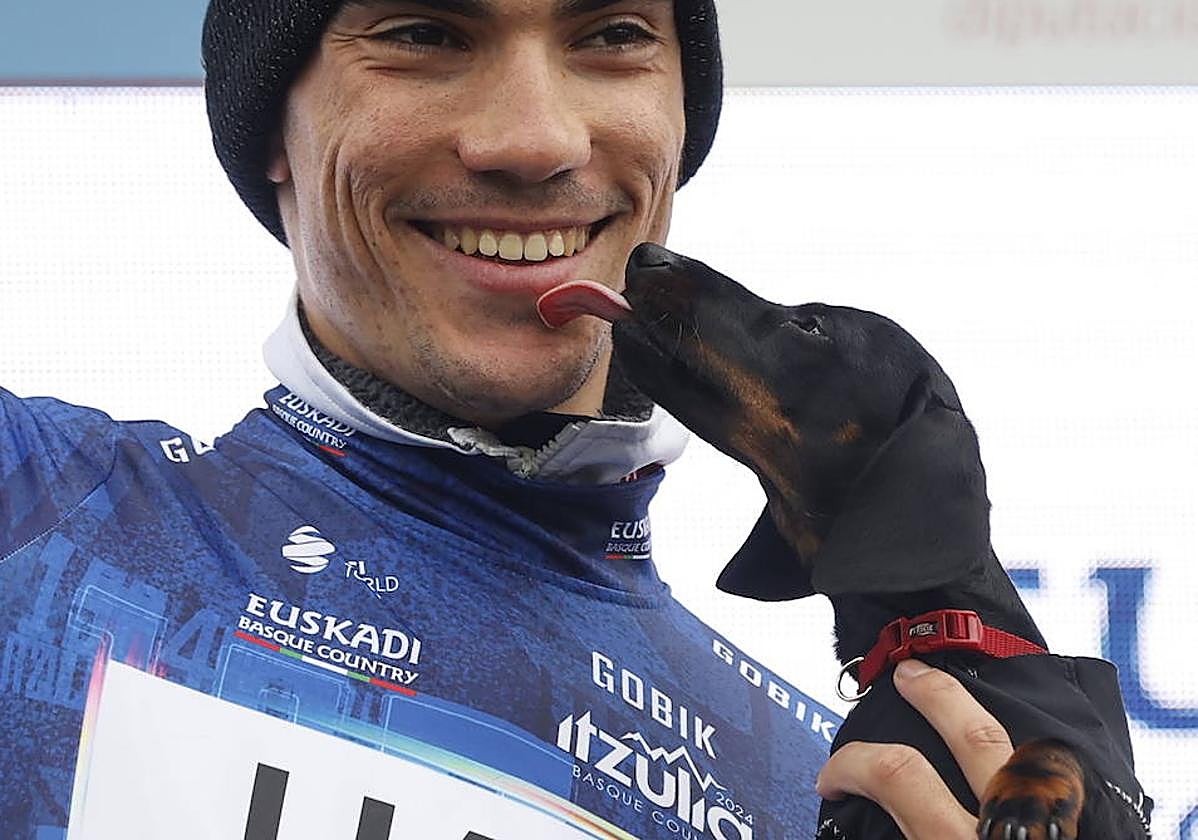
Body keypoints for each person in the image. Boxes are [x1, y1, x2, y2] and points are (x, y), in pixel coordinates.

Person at [0, 1, 1146, 838]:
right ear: (265, 132)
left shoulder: (842, 785)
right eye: (424, 32)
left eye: (611, 35)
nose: (535, 139)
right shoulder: (32, 507)